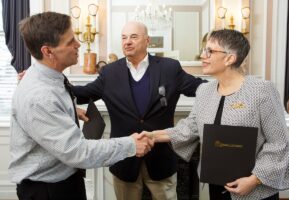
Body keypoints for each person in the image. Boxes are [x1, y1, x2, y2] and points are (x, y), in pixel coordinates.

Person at [9, 12, 153, 200]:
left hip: (65, 181)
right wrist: (130, 145)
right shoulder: (39, 96)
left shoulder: (49, 76)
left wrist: (67, 111)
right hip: (48, 191)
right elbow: (79, 152)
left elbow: (50, 106)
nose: (79, 44)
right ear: (48, 51)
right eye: (70, 42)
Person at [143, 29, 289, 200]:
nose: (203, 55)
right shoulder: (204, 90)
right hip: (216, 184)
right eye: (204, 50)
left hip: (255, 190)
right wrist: (152, 136)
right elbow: (190, 127)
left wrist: (254, 180)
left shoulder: (261, 90)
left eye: (210, 51)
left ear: (230, 58)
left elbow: (279, 143)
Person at [72, 21, 206, 200]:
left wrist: (231, 83)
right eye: (124, 37)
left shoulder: (169, 68)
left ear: (147, 40)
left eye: (133, 37)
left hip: (161, 158)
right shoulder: (109, 73)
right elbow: (82, 93)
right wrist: (52, 82)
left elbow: (201, 89)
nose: (127, 42)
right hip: (124, 160)